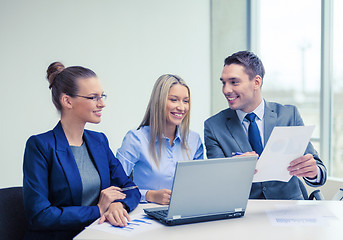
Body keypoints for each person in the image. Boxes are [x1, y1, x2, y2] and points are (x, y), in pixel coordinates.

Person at [23, 62, 140, 239]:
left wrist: (118, 205)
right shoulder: (40, 146)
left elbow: (130, 188)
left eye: (103, 96)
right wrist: (98, 209)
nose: (102, 104)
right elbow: (40, 216)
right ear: (67, 101)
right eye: (93, 97)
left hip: (99, 234)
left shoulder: (99, 141)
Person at [204, 51, 327, 200]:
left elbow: (319, 171)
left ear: (256, 82)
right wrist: (235, 170)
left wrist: (313, 172)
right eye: (223, 82)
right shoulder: (214, 126)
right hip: (245, 211)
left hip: (288, 208)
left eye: (234, 82)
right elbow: (216, 182)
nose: (226, 90)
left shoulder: (289, 115)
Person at [116, 74, 204, 205]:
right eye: (174, 100)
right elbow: (116, 187)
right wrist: (149, 195)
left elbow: (200, 185)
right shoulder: (136, 139)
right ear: (159, 102)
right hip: (146, 215)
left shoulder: (194, 139)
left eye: (185, 101)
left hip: (185, 211)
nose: (181, 107)